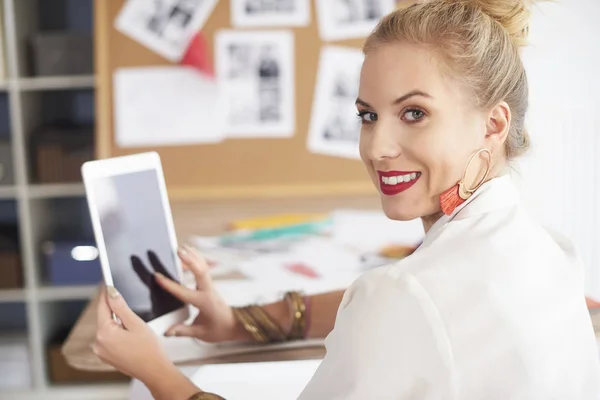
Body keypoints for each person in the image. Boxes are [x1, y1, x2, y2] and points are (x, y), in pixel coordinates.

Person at [92, 1, 600, 399]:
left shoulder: (406, 293)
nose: (376, 148)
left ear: (493, 124)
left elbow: (403, 303)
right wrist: (241, 321)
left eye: (415, 113)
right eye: (368, 115)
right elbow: (398, 305)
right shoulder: (550, 251)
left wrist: (155, 372)